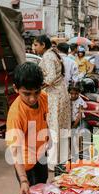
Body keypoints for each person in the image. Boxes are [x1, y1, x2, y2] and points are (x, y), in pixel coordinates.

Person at [5, 62, 49, 194]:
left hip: (41, 154)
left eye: (36, 92)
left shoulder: (44, 97)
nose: (32, 98)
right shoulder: (16, 114)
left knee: (44, 188)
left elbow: (45, 119)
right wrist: (24, 180)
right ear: (16, 89)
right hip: (25, 164)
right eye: (27, 93)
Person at [33, 35, 71, 171]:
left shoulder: (48, 56)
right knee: (62, 128)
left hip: (55, 95)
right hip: (61, 93)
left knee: (54, 128)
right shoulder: (53, 54)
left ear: (43, 45)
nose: (34, 48)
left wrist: (38, 87)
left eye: (36, 45)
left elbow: (50, 77)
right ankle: (63, 158)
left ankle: (53, 162)